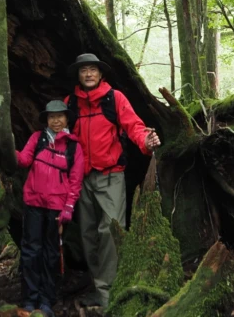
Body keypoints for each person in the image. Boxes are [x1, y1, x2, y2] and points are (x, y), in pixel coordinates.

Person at [64, 52, 161, 311]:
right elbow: (59, 138)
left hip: (110, 176)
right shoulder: (70, 103)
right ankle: (99, 288)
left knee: (110, 230)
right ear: (78, 75)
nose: (88, 74)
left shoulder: (114, 98)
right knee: (87, 234)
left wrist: (146, 142)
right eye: (83, 70)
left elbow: (134, 126)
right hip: (81, 179)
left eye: (93, 69)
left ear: (100, 74)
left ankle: (108, 293)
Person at [15, 100, 84, 317]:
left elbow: (75, 181)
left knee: (51, 253)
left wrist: (68, 208)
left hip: (56, 208)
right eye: (52, 117)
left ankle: (46, 300)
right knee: (30, 251)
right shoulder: (37, 138)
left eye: (60, 116)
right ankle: (29, 299)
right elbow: (24, 160)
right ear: (46, 119)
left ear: (67, 119)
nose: (56, 121)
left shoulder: (73, 146)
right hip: (33, 203)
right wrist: (6, 147)